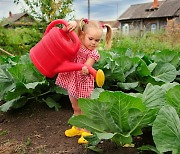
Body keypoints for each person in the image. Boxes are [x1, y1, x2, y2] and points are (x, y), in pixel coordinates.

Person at [55, 18, 112, 144]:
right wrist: (74, 24)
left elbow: (87, 65)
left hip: (83, 82)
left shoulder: (94, 53)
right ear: (82, 35)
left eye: (97, 40)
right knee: (75, 107)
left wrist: (86, 69)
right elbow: (67, 32)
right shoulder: (77, 43)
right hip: (72, 80)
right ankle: (77, 127)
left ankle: (87, 131)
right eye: (90, 39)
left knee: (84, 108)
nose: (93, 43)